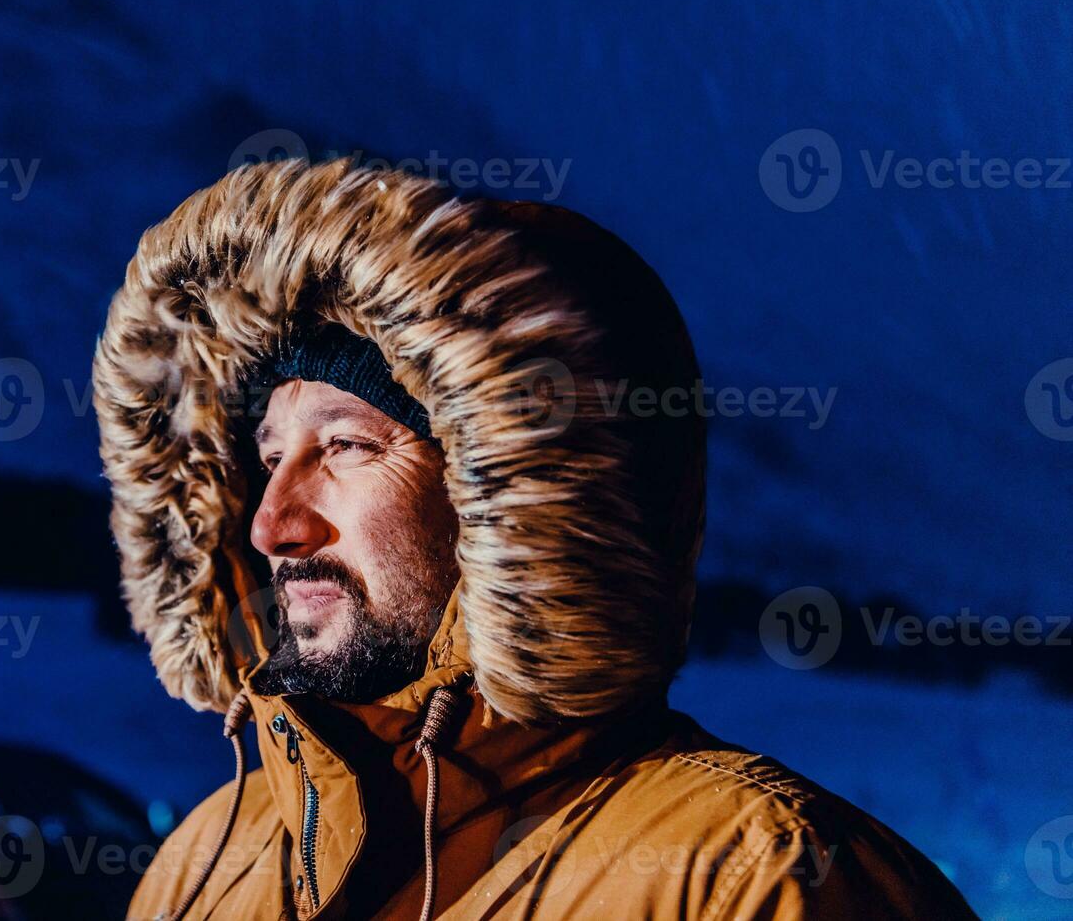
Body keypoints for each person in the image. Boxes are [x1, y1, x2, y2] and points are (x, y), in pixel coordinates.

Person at [93, 159, 974, 919]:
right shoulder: (204, 863)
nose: (273, 525)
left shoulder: (763, 879)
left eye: (348, 446)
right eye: (272, 457)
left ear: (513, 502)